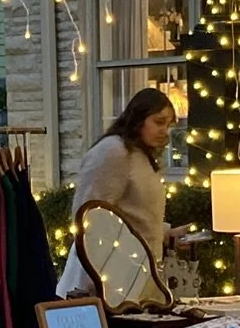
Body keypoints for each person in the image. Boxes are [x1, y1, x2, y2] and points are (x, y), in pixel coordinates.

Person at [57, 87, 177, 297]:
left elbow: (134, 214)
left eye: (168, 125)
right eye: (159, 122)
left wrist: (164, 232)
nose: (165, 131)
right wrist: (102, 271)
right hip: (107, 278)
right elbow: (89, 214)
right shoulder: (113, 151)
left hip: (137, 272)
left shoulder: (141, 156)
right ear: (139, 118)